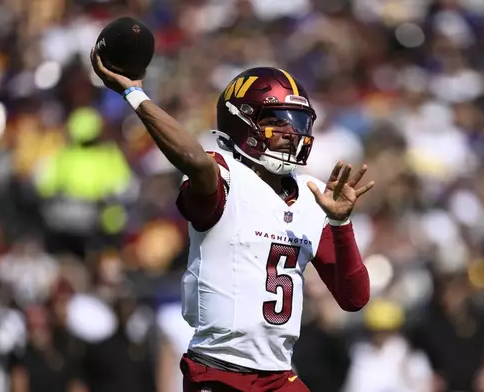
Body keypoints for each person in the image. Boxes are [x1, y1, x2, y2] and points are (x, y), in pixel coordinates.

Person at [90, 49, 373, 392]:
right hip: (218, 372)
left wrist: (341, 225)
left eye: (297, 122)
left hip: (279, 374)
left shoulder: (313, 198)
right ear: (243, 121)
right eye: (276, 121)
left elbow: (354, 297)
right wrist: (135, 94)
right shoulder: (224, 174)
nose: (291, 132)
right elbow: (195, 160)